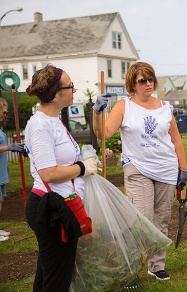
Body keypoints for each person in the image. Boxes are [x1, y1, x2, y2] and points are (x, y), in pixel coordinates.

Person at [92, 62, 187, 281]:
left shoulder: (165, 106)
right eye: (142, 80)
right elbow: (103, 134)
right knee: (141, 218)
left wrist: (183, 168)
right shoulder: (124, 106)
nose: (148, 84)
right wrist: (97, 113)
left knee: (161, 220)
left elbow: (175, 139)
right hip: (138, 168)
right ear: (132, 84)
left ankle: (156, 265)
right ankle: (133, 265)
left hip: (166, 168)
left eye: (151, 79)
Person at [24, 64, 98, 291]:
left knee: (48, 278)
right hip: (52, 209)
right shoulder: (40, 125)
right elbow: (49, 173)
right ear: (56, 94)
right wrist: (82, 167)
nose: (74, 90)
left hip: (62, 206)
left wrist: (85, 160)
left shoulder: (54, 121)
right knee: (57, 281)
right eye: (70, 86)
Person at [0, 98, 25, 242]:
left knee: (1, 200)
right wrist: (8, 147)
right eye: (3, 110)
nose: (5, 113)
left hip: (2, 171)